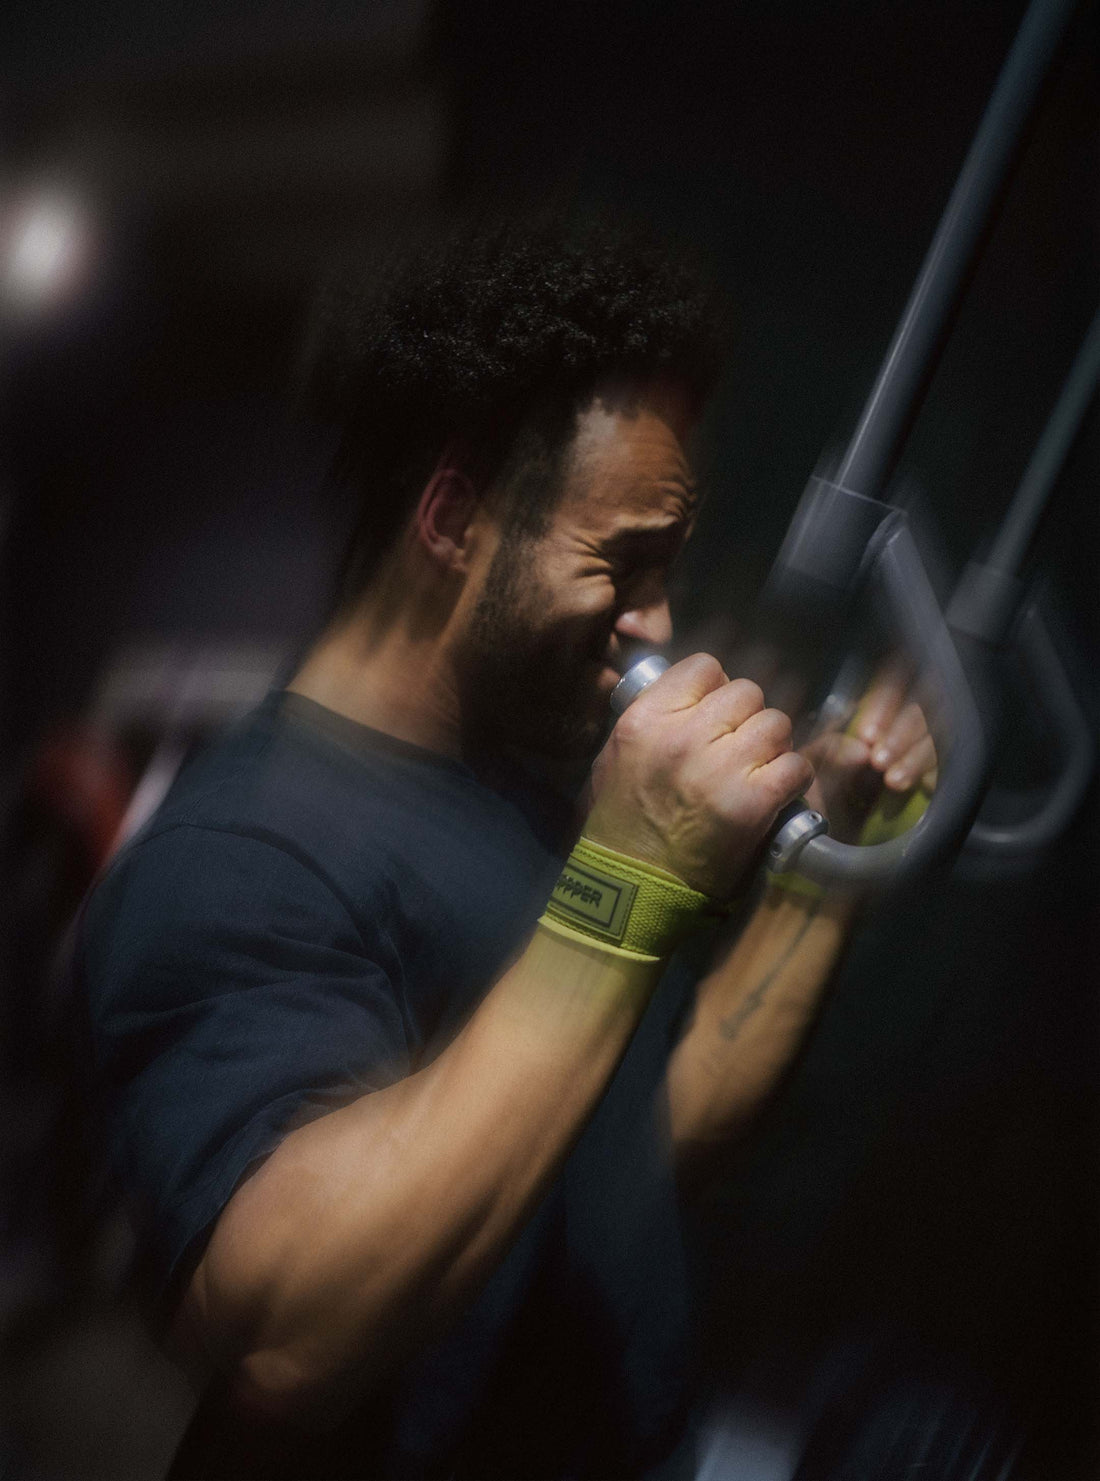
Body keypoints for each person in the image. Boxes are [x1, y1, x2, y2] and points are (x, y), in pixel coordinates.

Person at [77, 218, 935, 1479]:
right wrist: (627, 877)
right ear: (453, 517)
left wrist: (827, 865)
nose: (654, 621)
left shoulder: (518, 785)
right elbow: (284, 1339)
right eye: (621, 563)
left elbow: (649, 1134)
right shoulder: (232, 857)